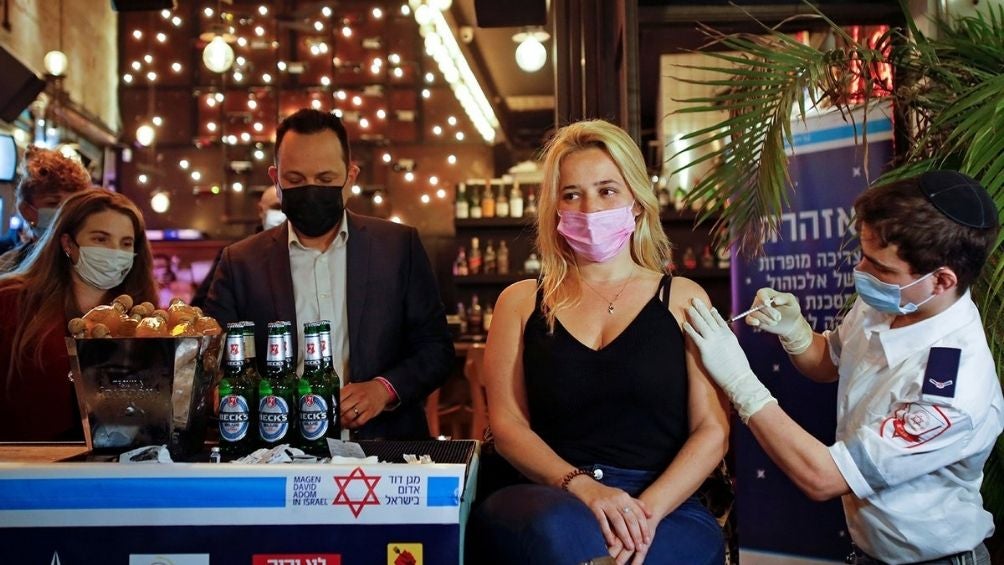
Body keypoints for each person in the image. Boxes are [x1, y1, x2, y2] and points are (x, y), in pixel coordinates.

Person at [683, 171, 1002, 564]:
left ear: (942, 280)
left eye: (880, 267)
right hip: (868, 551)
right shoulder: (893, 301)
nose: (861, 271)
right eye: (863, 254)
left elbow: (823, 477)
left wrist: (739, 382)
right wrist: (797, 333)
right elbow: (829, 362)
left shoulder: (952, 389)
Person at [470, 120, 729, 565]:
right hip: (551, 494)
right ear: (555, 208)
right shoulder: (520, 302)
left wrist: (644, 513)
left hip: (663, 502)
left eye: (607, 190)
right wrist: (584, 488)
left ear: (637, 202)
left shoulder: (684, 299)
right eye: (572, 195)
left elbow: (713, 429)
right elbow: (508, 426)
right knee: (559, 536)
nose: (589, 208)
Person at [204, 108, 454, 440]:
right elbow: (212, 364)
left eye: (325, 180)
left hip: (385, 447)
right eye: (295, 180)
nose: (310, 190)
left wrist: (383, 390)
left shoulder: (397, 247)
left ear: (350, 177)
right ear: (275, 179)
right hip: (277, 450)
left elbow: (436, 349)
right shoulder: (241, 262)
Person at [0, 188, 158, 441]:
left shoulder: (145, 318)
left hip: (116, 458)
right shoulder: (10, 301)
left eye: (126, 243)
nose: (115, 251)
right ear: (68, 244)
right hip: (26, 457)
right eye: (100, 239)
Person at [0, 147, 92, 273]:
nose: (66, 211)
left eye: (74, 203)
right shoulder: (6, 269)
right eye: (54, 203)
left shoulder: (93, 267)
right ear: (26, 210)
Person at [191, 186, 284, 309]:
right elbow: (202, 304)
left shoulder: (303, 249)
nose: (283, 214)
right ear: (261, 210)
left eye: (286, 208)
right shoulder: (235, 254)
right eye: (277, 207)